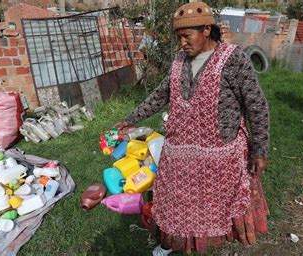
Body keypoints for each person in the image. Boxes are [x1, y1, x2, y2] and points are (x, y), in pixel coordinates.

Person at [115, 2, 270, 255]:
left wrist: (260, 149)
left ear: (207, 29)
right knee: (176, 202)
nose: (182, 44)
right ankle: (172, 243)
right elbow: (161, 93)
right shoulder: (179, 61)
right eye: (179, 38)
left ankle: (214, 240)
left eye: (187, 36)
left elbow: (256, 105)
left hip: (220, 153)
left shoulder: (233, 59)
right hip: (180, 151)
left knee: (215, 204)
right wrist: (133, 117)